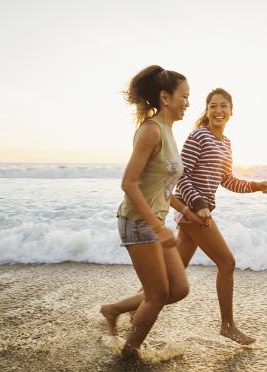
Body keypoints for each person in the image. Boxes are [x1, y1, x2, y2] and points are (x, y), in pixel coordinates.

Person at [99, 65, 201, 358]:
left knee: (178, 289)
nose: (188, 102)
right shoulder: (150, 131)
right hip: (137, 221)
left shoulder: (168, 131)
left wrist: (185, 213)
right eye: (184, 96)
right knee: (157, 295)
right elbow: (128, 184)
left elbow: (163, 187)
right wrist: (158, 228)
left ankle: (114, 309)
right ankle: (129, 354)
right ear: (165, 98)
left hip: (156, 222)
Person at [175, 88, 267, 345]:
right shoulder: (198, 136)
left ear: (231, 111)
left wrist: (254, 186)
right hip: (192, 211)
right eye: (213, 106)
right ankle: (227, 326)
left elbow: (227, 179)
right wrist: (198, 203)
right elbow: (180, 176)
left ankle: (123, 309)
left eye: (223, 106)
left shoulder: (225, 142)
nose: (218, 111)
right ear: (206, 111)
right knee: (227, 263)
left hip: (199, 212)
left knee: (171, 277)